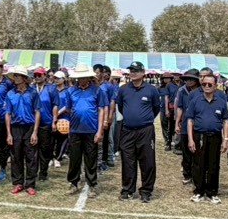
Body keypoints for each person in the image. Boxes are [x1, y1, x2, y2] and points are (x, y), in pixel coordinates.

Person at [113, 62, 160, 202]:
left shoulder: (151, 90)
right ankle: (127, 190)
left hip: (145, 131)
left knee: (147, 161)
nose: (132, 73)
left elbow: (156, 108)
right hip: (127, 130)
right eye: (131, 70)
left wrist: (143, 119)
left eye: (136, 70)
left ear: (143, 73)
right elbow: (121, 107)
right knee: (128, 161)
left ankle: (146, 191)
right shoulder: (123, 89)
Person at [186, 72, 228, 204]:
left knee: (213, 165)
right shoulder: (195, 100)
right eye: (204, 84)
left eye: (210, 84)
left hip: (215, 137)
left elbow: (225, 121)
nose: (206, 86)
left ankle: (212, 192)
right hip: (199, 136)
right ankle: (199, 191)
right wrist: (190, 139)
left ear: (215, 86)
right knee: (199, 164)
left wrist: (225, 139)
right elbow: (190, 120)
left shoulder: (221, 102)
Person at [57, 66, 102, 194]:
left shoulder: (96, 90)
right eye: (79, 77)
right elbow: (68, 108)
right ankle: (73, 183)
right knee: (74, 158)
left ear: (88, 77)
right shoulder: (71, 91)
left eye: (84, 77)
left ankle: (92, 184)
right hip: (75, 130)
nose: (81, 79)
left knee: (91, 158)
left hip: (91, 130)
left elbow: (101, 109)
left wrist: (100, 130)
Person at [3, 67, 41, 196]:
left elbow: (37, 112)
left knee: (31, 157)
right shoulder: (10, 94)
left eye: (18, 76)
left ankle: (30, 184)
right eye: (14, 76)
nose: (15, 78)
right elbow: (8, 114)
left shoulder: (33, 93)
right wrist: (9, 133)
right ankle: (18, 183)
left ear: (24, 78)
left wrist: (35, 132)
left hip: (29, 127)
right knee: (16, 156)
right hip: (15, 128)